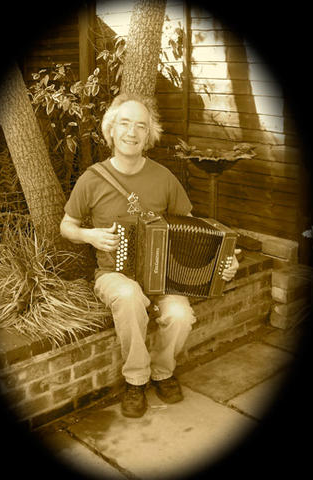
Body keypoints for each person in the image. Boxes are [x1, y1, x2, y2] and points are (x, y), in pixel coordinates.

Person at [60, 92, 240, 418]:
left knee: (181, 315)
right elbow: (67, 226)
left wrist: (226, 261)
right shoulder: (91, 179)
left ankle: (162, 371)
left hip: (163, 277)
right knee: (128, 295)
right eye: (124, 124)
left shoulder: (164, 178)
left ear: (148, 135)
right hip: (112, 275)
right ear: (111, 130)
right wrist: (90, 235)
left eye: (140, 126)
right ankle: (136, 380)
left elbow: (196, 234)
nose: (132, 132)